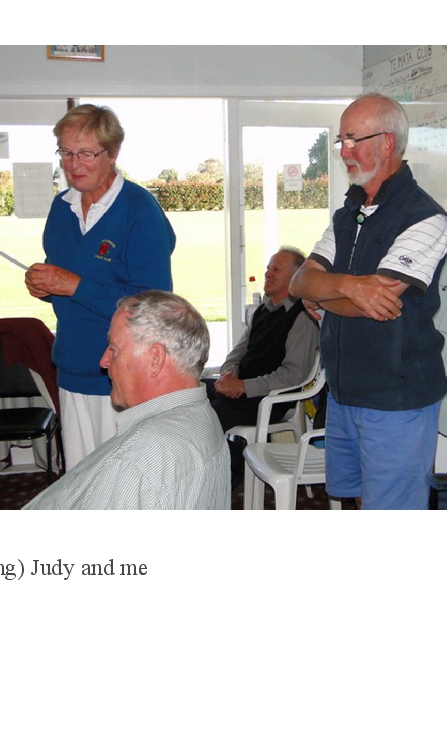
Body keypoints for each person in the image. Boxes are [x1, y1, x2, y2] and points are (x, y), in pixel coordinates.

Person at [289, 93, 447, 510]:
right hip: (345, 392)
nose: (343, 151)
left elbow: (373, 304)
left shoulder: (426, 218)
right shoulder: (348, 213)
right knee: (356, 498)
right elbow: (299, 281)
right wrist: (349, 286)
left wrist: (326, 292)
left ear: (387, 143)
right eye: (341, 140)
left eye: (353, 139)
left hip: (396, 400)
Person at [24, 104, 176, 470]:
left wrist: (74, 286)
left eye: (86, 154)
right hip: (72, 367)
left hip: (123, 376)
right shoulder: (61, 208)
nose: (73, 164)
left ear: (112, 153)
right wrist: (45, 287)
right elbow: (69, 290)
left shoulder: (139, 210)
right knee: (81, 479)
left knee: (123, 484)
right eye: (66, 153)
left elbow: (154, 307)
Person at [23, 291, 229, 511]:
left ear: (155, 358)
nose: (103, 361)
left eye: (114, 349)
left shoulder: (139, 458)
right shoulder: (202, 416)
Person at [205, 248, 320, 487]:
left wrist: (243, 386)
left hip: (270, 399)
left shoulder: (302, 317)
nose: (268, 273)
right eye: (268, 268)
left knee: (207, 418)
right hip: (242, 391)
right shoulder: (262, 310)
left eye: (276, 269)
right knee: (192, 392)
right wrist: (229, 376)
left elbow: (294, 374)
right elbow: (237, 353)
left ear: (295, 277)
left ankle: (227, 477)